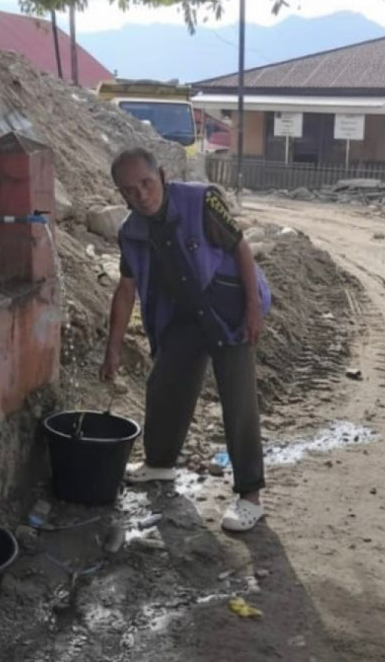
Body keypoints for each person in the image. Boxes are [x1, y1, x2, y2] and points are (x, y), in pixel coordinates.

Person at [100, 148, 272, 532]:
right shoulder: (132, 230)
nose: (141, 195)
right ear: (121, 194)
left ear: (161, 174)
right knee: (164, 384)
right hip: (184, 318)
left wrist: (252, 309)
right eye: (129, 190)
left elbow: (241, 248)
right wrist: (112, 349)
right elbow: (126, 289)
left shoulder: (201, 199)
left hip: (227, 310)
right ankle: (160, 463)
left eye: (146, 183)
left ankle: (250, 496)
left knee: (238, 400)